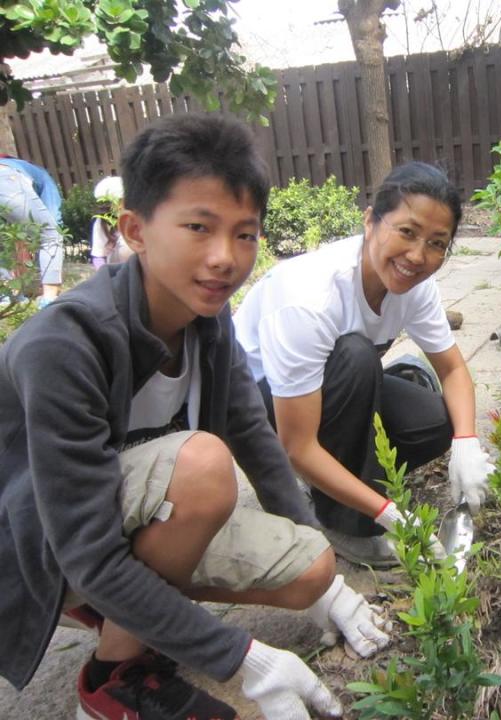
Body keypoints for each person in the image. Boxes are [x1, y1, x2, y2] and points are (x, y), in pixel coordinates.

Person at [0, 113, 392, 720]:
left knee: (310, 566)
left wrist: (332, 579)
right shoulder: (65, 344)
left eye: (244, 234)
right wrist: (243, 658)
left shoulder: (206, 321)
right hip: (36, 548)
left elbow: (258, 442)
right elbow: (86, 550)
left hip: (115, 522)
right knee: (204, 466)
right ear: (135, 229)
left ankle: (124, 611)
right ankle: (113, 680)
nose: (224, 258)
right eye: (198, 227)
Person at [234, 161, 494, 569]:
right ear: (370, 221)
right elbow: (296, 444)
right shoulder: (310, 297)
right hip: (261, 412)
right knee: (356, 357)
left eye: (437, 243)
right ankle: (344, 522)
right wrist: (386, 512)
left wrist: (466, 442)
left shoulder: (416, 286)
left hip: (326, 390)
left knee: (437, 420)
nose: (418, 255)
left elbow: (454, 370)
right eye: (406, 232)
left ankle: (341, 478)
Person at [0, 155, 65, 304]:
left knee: (3, 242)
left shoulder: (14, 164)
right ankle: (49, 299)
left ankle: (7, 297)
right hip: (5, 180)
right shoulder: (44, 178)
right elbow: (54, 220)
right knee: (50, 236)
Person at [90, 175, 133, 268]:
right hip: (117, 272)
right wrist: (103, 275)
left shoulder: (138, 217)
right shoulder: (102, 223)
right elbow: (98, 256)